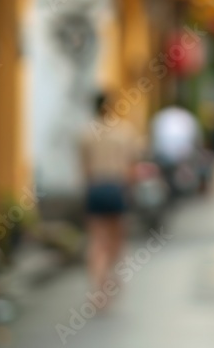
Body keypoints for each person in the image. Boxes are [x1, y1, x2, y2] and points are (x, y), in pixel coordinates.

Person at [79, 92, 141, 298]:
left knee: (97, 239)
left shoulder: (87, 133)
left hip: (96, 187)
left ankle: (98, 283)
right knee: (116, 237)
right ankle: (111, 276)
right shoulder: (124, 132)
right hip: (116, 187)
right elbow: (132, 167)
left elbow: (84, 169)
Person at [150, 101, 202, 197]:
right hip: (182, 155)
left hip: (163, 155)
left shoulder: (160, 115)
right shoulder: (188, 117)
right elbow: (196, 139)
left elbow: (153, 137)